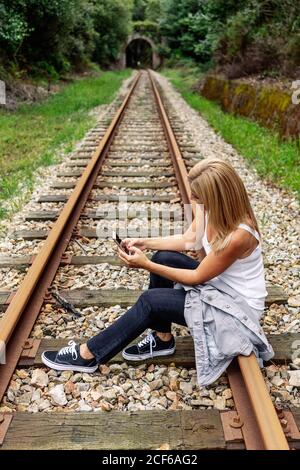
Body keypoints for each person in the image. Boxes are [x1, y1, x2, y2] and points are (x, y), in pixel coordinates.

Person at [42, 158, 271, 380]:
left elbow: (196, 276)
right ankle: (162, 339)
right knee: (164, 257)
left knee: (150, 301)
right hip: (219, 290)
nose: (192, 199)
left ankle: (88, 355)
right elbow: (189, 239)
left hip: (237, 311)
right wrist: (146, 243)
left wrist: (146, 264)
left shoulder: (240, 235)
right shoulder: (212, 209)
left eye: (197, 196)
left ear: (216, 197)